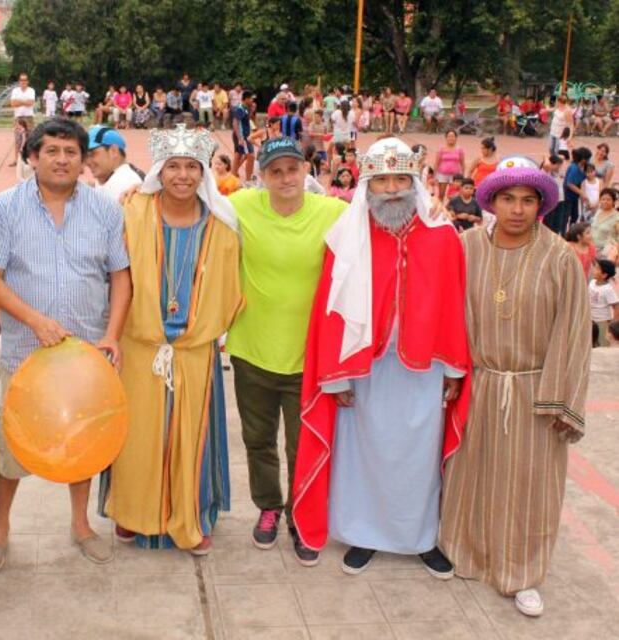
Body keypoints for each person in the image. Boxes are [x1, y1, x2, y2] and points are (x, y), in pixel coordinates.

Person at [292, 137, 471, 577]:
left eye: (399, 179)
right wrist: (334, 376)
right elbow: (329, 310)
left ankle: (420, 538)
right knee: (363, 454)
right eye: (381, 180)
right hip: (363, 367)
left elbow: (453, 304)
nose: (391, 189)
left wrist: (453, 368)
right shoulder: (347, 238)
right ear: (366, 186)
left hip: (423, 368)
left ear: (414, 182)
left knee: (418, 457)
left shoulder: (443, 237)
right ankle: (363, 534)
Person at [0, 118, 131, 573]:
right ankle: (0, 528)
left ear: (83, 160)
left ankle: (81, 525)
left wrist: (112, 334)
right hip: (26, 354)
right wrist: (34, 320)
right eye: (52, 151)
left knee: (83, 439)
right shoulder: (5, 208)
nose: (62, 160)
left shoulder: (105, 210)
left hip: (87, 354)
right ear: (33, 156)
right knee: (12, 445)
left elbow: (121, 277)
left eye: (71, 152)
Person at [440, 157, 590, 618]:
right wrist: (451, 374)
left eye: (527, 200)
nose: (518, 210)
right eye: (508, 199)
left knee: (529, 485)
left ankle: (522, 572)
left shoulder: (559, 257)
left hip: (534, 390)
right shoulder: (467, 246)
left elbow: (573, 331)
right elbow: (446, 310)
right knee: (474, 474)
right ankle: (466, 552)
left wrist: (558, 399)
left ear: (541, 205)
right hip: (479, 383)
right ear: (492, 201)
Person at [100, 124, 241, 554]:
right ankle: (132, 512)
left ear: (204, 173)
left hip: (194, 353)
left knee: (191, 437)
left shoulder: (221, 224)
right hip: (140, 347)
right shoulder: (132, 212)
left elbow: (230, 289)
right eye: (173, 166)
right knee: (137, 436)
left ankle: (192, 515)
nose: (182, 175)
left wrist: (198, 332)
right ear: (159, 170)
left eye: (192, 167)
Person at [225, 137, 347, 559]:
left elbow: (378, 225)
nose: (285, 178)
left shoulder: (332, 212)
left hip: (307, 359)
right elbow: (192, 197)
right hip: (250, 350)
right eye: (275, 171)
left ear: (306, 170)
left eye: (292, 169)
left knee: (302, 446)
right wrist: (136, 191)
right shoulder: (240, 206)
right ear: (262, 176)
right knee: (258, 440)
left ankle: (301, 515)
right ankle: (268, 508)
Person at [85, 125, 142, 203]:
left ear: (113, 151)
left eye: (92, 154)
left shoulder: (127, 185)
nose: (87, 162)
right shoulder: (110, 178)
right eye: (86, 156)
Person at [589, 259, 618, 348]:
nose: (593, 269)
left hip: (602, 322)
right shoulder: (592, 283)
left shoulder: (608, 289)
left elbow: (616, 306)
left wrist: (613, 324)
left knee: (602, 344)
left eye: (597, 268)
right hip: (591, 320)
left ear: (604, 275)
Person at [10, 74, 36, 165]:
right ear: (19, 81)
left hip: (29, 117)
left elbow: (31, 103)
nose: (23, 82)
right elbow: (13, 103)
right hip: (18, 117)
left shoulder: (31, 90)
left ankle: (29, 158)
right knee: (18, 139)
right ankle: (16, 160)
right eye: (21, 80)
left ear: (28, 81)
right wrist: (25, 102)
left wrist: (19, 101)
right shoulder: (15, 90)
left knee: (30, 138)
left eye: (25, 80)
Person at [434, 130, 465, 201]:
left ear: (456, 138)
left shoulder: (460, 149)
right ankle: (440, 207)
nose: (451, 138)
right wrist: (435, 177)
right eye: (449, 136)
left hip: (455, 176)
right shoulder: (441, 149)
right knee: (441, 195)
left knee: (453, 195)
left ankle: (451, 207)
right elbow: (436, 163)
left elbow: (462, 164)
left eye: (453, 136)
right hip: (442, 175)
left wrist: (462, 176)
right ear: (446, 138)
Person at [231, 91, 255, 182]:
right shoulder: (240, 109)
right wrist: (240, 137)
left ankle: (232, 174)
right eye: (251, 99)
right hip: (243, 136)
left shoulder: (246, 108)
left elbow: (246, 121)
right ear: (246, 99)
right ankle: (248, 180)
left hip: (245, 135)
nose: (252, 100)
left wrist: (252, 110)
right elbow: (235, 123)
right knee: (251, 156)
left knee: (239, 155)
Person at [590, 188, 619, 260]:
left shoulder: (616, 217)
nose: (605, 202)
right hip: (592, 248)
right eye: (603, 199)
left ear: (613, 201)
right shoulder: (598, 212)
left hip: (607, 251)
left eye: (608, 199)